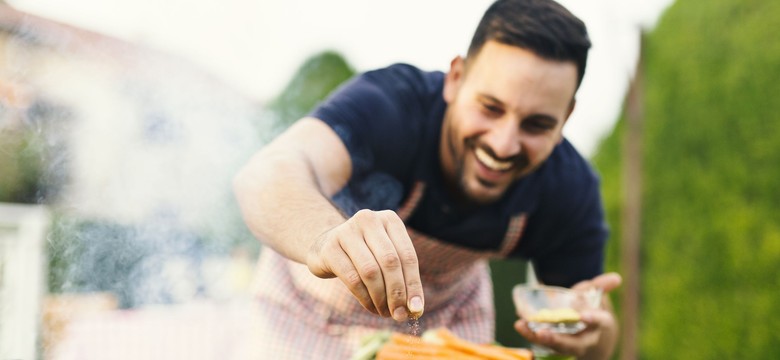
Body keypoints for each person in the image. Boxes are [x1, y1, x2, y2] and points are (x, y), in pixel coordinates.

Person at [233, 0, 621, 358]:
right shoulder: (393, 105)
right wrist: (323, 239)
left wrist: (592, 337)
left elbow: (597, 330)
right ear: (455, 78)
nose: (503, 145)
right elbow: (266, 175)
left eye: (537, 125)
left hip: (447, 327)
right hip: (307, 316)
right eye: (490, 108)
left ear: (566, 117)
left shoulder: (569, 187)